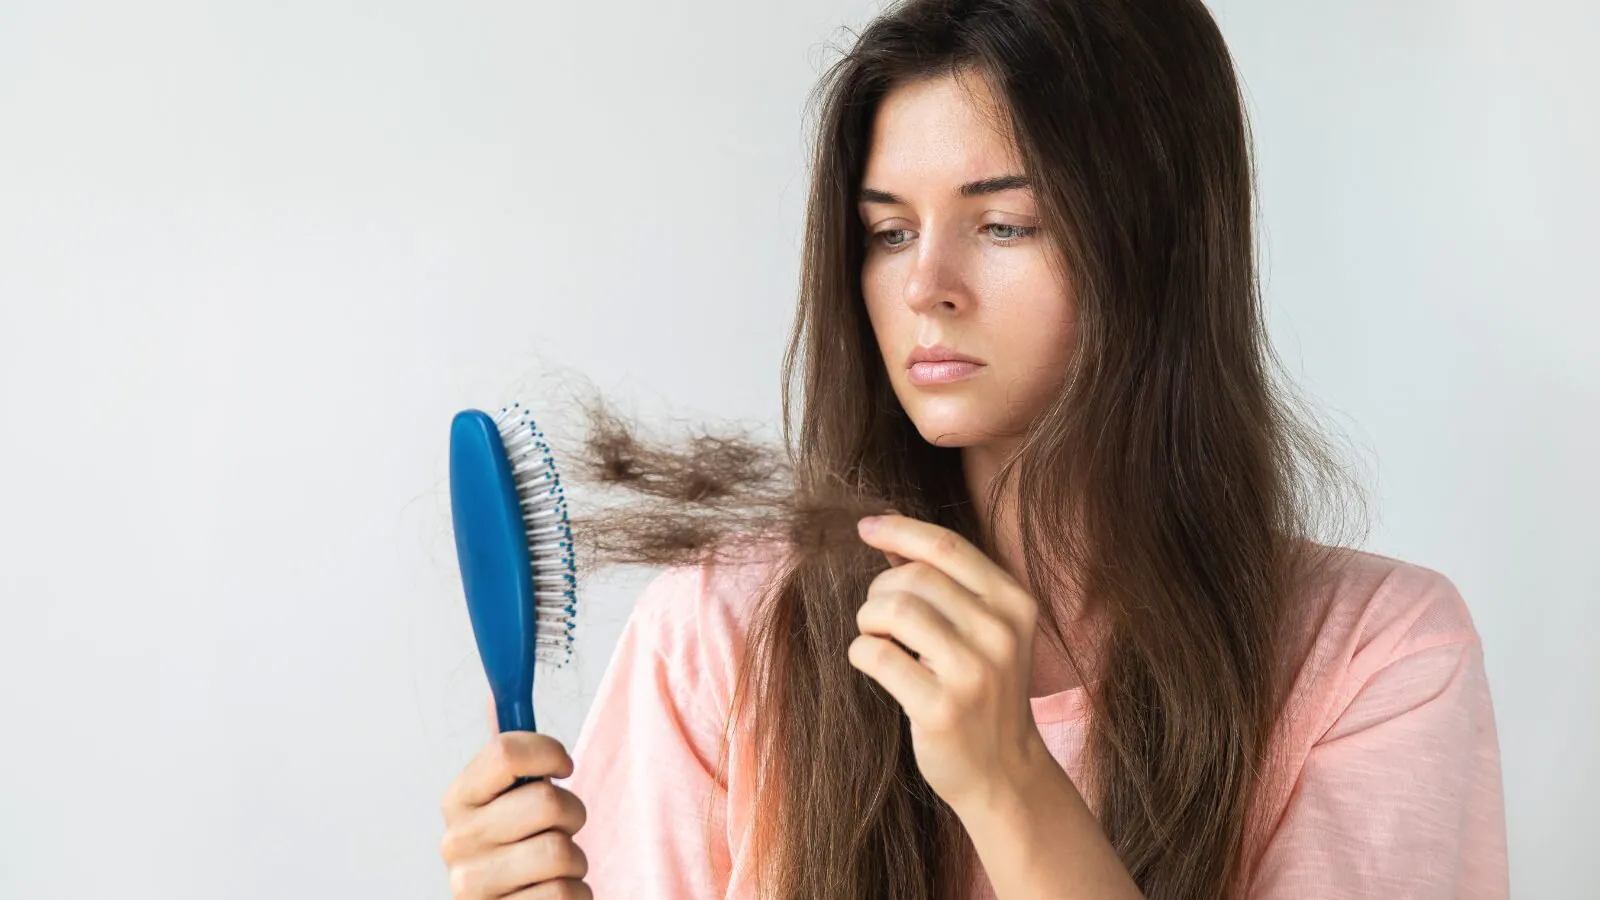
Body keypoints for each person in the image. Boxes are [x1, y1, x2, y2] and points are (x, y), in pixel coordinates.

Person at [439, 0, 1509, 896]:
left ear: (1157, 247)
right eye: (887, 232)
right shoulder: (723, 631)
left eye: (1004, 225)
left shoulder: (1375, 657)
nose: (923, 287)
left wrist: (1009, 783)